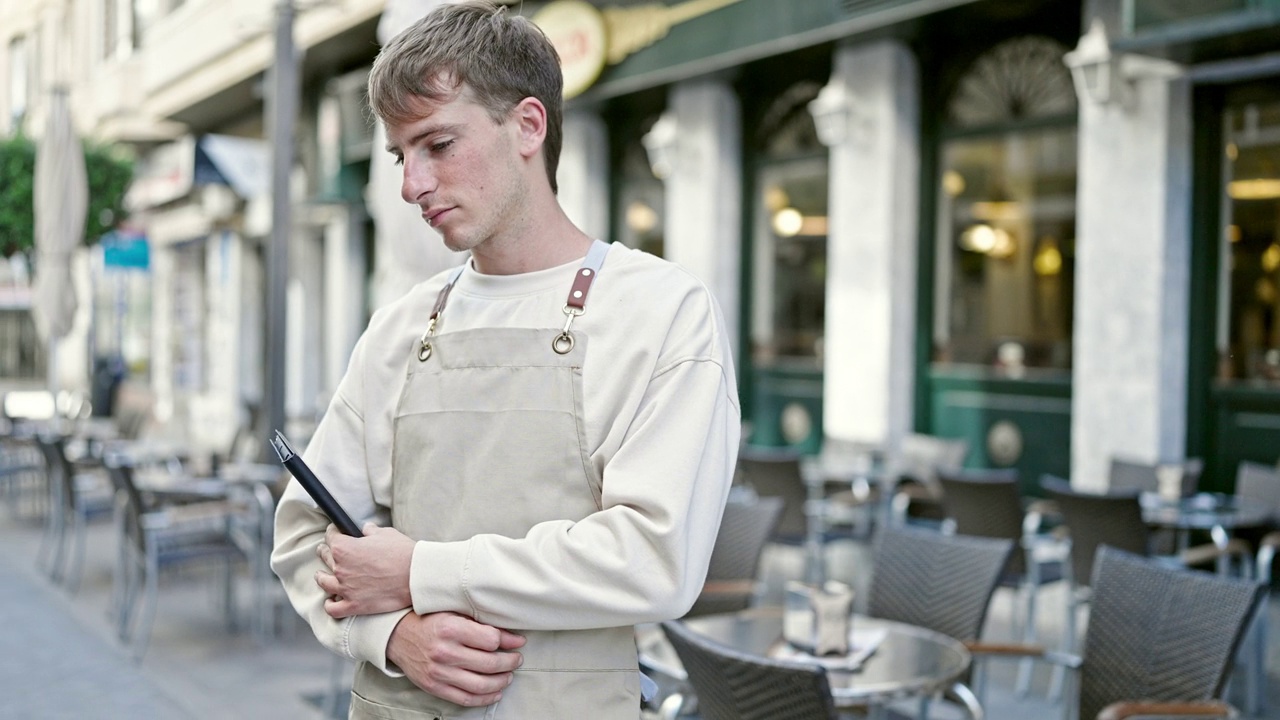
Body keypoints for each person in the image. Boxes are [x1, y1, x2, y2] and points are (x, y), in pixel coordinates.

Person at [269, 2, 740, 718]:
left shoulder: (659, 312)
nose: (410, 186)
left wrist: (421, 572)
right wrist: (392, 634)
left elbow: (655, 558)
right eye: (401, 156)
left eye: (437, 145)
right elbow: (305, 535)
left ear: (528, 125)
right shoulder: (400, 327)